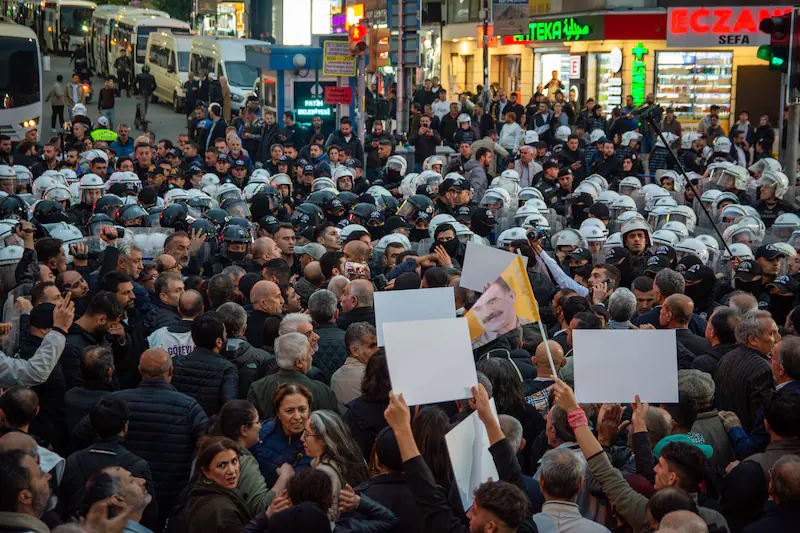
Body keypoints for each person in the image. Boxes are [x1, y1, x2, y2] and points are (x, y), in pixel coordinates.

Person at [61, 397, 157, 524]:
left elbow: (64, 504)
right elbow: (149, 512)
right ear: (124, 427)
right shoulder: (138, 466)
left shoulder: (73, 461)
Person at [207, 399, 293, 515]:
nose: (261, 425)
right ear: (244, 430)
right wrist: (284, 478)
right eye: (257, 422)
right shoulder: (243, 461)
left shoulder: (208, 450)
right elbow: (261, 506)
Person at [715, 310, 779, 432]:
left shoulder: (726, 358)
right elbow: (761, 416)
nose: (778, 338)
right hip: (748, 439)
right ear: (753, 340)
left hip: (726, 434)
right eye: (772, 333)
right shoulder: (763, 369)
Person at [247, 332, 338, 418]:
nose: (311, 356)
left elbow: (252, 423)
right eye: (309, 353)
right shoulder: (322, 390)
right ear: (299, 362)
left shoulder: (258, 387)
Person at [302, 410, 369, 519]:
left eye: (306, 433)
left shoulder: (324, 473)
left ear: (323, 440)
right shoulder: (354, 454)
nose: (302, 438)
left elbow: (327, 517)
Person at [250, 382, 313, 485]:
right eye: (289, 411)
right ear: (278, 413)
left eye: (302, 409)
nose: (297, 416)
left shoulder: (317, 441)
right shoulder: (260, 435)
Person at [186, 437, 253, 533]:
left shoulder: (201, 490)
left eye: (234, 461)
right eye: (222, 465)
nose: (231, 470)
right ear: (205, 471)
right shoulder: (222, 511)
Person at [330, 322, 379, 406]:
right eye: (372, 346)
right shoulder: (371, 375)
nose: (377, 350)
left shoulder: (335, 376)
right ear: (355, 350)